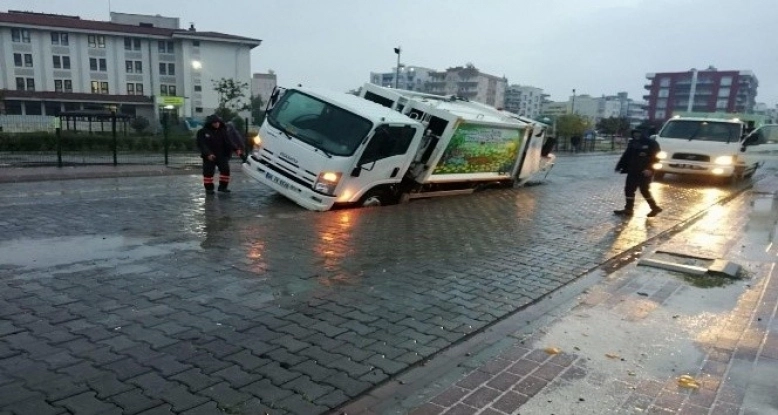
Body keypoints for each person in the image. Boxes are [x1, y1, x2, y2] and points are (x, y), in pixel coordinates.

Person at [614, 128, 662, 217]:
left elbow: (657, 157)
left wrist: (650, 169)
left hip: (645, 172)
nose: (636, 135)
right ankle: (628, 209)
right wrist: (620, 165)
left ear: (643, 133)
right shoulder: (632, 143)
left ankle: (654, 208)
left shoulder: (651, 143)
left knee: (644, 190)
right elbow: (626, 155)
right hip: (633, 170)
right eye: (634, 133)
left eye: (638, 133)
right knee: (629, 189)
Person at [196, 115, 242, 194]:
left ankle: (223, 187)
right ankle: (209, 189)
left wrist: (236, 149)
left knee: (225, 170)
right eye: (214, 123)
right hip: (209, 156)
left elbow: (229, 142)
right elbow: (202, 144)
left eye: (218, 122)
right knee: (208, 172)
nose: (217, 124)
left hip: (222, 155)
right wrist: (208, 154)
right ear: (210, 123)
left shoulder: (223, 131)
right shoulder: (202, 132)